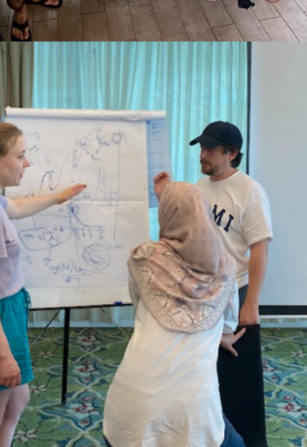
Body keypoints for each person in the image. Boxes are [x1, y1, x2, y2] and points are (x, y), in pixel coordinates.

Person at [0, 123, 84, 447]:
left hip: (1, 314)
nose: (27, 163)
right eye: (21, 156)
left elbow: (17, 207)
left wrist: (59, 197)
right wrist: (4, 356)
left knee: (17, 400)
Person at [102, 180, 245, 447]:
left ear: (165, 215)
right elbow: (226, 324)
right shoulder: (226, 268)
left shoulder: (143, 257)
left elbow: (141, 308)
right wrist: (218, 335)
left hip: (128, 408)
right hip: (195, 415)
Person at [189, 121, 273, 447]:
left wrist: (251, 302)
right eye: (202, 147)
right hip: (203, 292)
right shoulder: (199, 187)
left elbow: (260, 247)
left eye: (211, 148)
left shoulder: (249, 190)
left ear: (232, 153)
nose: (203, 154)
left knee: (238, 380)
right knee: (205, 374)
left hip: (236, 293)